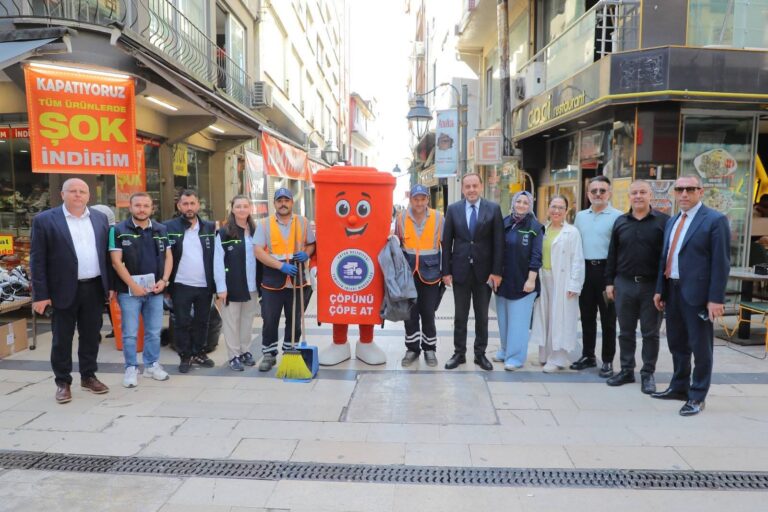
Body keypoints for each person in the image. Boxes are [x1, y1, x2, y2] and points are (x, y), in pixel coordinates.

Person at [653, 175, 730, 416]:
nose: (684, 194)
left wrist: (715, 298)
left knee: (701, 347)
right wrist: (660, 288)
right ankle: (679, 387)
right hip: (673, 290)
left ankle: (697, 396)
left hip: (698, 294)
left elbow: (721, 262)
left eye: (689, 189)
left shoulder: (715, 220)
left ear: (701, 191)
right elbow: (666, 257)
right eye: (679, 189)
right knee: (677, 343)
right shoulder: (673, 220)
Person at [30, 178, 112, 404]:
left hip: (94, 287)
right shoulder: (45, 220)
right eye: (72, 191)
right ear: (62, 194)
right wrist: (40, 295)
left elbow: (106, 255)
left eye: (82, 191)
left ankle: (88, 376)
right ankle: (63, 382)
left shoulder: (100, 218)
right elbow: (37, 260)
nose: (78, 195)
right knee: (61, 339)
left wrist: (110, 286)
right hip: (61, 290)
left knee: (90, 336)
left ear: (89, 195)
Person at [604, 180, 669, 394]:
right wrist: (609, 282)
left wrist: (663, 288)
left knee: (650, 333)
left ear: (650, 195)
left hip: (651, 286)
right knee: (625, 331)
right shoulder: (620, 222)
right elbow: (612, 253)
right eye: (634, 193)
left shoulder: (663, 222)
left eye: (643, 192)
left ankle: (648, 373)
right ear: (628, 197)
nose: (638, 196)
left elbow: (666, 258)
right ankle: (626, 370)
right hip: (624, 284)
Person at [441, 173, 504, 371]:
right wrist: (446, 271)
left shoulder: (493, 209)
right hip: (460, 271)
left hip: (484, 273)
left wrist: (496, 272)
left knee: (482, 316)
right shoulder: (453, 209)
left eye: (474, 185)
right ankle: (459, 354)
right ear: (462, 189)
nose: (471, 190)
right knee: (460, 316)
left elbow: (498, 243)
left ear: (481, 186)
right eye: (467, 186)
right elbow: (446, 242)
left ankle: (480, 354)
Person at [110, 192, 173, 387]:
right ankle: (131, 368)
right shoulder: (118, 230)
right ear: (130, 207)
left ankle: (152, 365)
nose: (142, 209)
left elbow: (169, 257)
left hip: (155, 290)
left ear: (151, 208)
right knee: (129, 332)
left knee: (153, 332)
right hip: (129, 292)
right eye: (138, 205)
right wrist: (134, 286)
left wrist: (164, 280)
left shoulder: (161, 229)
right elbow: (116, 262)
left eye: (146, 205)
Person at [254, 188, 315, 372]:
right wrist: (280, 266)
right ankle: (269, 354)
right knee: (270, 318)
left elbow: (312, 244)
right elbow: (258, 251)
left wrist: (306, 253)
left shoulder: (303, 222)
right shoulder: (264, 224)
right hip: (273, 279)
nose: (283, 203)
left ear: (291, 203)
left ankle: (290, 350)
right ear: (274, 203)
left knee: (294, 318)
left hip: (297, 279)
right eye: (279, 200)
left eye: (286, 200)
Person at [572, 175, 622, 377]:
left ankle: (608, 360)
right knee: (586, 317)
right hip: (585, 271)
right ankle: (588, 355)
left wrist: (613, 279)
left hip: (606, 273)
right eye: (594, 191)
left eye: (602, 190)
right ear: (588, 194)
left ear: (609, 193)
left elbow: (619, 250)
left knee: (608, 319)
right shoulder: (580, 216)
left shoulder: (618, 217)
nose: (598, 194)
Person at [163, 190, 217, 373]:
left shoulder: (209, 227)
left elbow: (216, 257)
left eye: (192, 203)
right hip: (180, 284)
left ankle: (199, 352)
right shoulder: (168, 227)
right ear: (179, 206)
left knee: (202, 321)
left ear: (198, 205)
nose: (189, 208)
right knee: (182, 322)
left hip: (204, 285)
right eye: (185, 204)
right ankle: (185, 355)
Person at [530, 195, 584, 372]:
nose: (556, 211)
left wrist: (574, 285)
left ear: (566, 211)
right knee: (544, 316)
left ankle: (558, 358)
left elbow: (577, 260)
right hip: (543, 278)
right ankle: (545, 355)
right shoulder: (542, 229)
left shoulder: (572, 232)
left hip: (562, 280)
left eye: (561, 207)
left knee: (559, 317)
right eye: (553, 206)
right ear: (548, 208)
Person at [394, 184, 444, 367]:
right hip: (407, 274)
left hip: (431, 274)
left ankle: (430, 349)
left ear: (428, 200)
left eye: (423, 199)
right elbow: (396, 247)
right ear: (410, 200)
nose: (419, 202)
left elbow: (446, 247)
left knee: (428, 313)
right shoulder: (400, 219)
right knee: (410, 313)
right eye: (416, 199)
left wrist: (446, 272)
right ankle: (412, 349)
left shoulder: (439, 218)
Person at [494, 191, 543, 370]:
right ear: (513, 203)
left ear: (530, 205)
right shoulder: (504, 222)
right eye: (519, 201)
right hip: (504, 281)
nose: (521, 205)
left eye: (525, 202)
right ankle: (505, 349)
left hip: (524, 282)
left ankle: (515, 357)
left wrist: (531, 279)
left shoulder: (535, 227)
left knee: (519, 323)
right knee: (504, 319)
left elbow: (537, 255)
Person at [214, 195, 260, 371]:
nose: (242, 209)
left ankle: (244, 351)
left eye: (245, 206)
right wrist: (221, 288)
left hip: (252, 285)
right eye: (238, 206)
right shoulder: (225, 233)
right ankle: (233, 355)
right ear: (232, 209)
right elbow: (218, 262)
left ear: (250, 209)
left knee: (247, 321)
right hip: (231, 285)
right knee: (231, 322)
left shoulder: (256, 231)